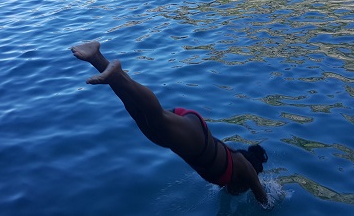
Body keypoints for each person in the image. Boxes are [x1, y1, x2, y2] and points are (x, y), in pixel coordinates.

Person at [71, 41, 269, 205]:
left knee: (138, 113)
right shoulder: (245, 168)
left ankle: (96, 57)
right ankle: (116, 71)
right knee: (156, 117)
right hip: (196, 140)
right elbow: (264, 200)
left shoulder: (232, 176)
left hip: (190, 140)